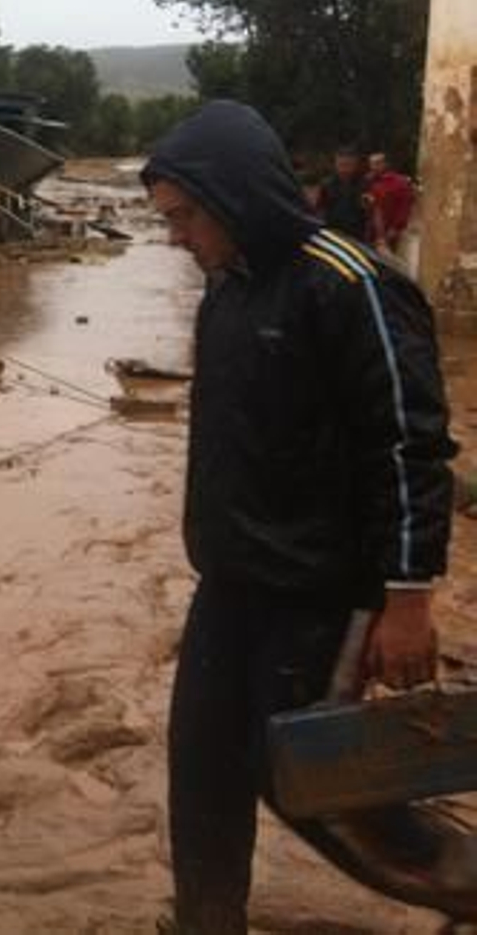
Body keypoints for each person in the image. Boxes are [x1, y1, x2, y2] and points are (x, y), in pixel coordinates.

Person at [142, 101, 456, 934]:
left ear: (234, 196)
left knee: (316, 786)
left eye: (184, 217)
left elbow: (408, 446)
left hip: (322, 592)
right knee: (202, 765)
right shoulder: (227, 292)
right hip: (231, 582)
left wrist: (407, 597)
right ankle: (208, 922)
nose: (175, 237)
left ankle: (461, 883)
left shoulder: (354, 286)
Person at [313, 147, 372, 240]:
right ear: (335, 164)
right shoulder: (326, 184)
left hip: (357, 234)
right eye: (341, 164)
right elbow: (319, 209)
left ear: (355, 164)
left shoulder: (365, 184)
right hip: (333, 233)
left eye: (348, 165)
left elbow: (372, 210)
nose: (344, 169)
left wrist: (380, 237)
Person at [366, 151, 417, 256]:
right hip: (369, 232)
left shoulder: (399, 182)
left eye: (378, 163)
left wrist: (396, 227)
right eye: (372, 163)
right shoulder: (367, 181)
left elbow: (405, 207)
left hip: (391, 232)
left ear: (386, 164)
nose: (374, 166)